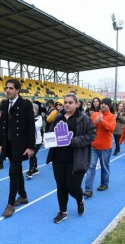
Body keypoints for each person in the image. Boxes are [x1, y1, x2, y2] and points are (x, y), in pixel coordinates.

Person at [46, 93, 95, 223]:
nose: (67, 105)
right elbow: (51, 133)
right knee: (61, 186)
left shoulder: (84, 119)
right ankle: (63, 212)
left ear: (77, 104)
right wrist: (49, 140)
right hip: (58, 158)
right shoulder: (58, 118)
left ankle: (80, 200)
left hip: (76, 159)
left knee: (72, 186)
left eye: (70, 102)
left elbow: (91, 136)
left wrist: (71, 141)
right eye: (65, 102)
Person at [0, 79, 35, 218]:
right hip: (9, 145)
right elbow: (3, 126)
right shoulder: (5, 103)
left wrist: (31, 147)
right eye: (6, 88)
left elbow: (31, 127)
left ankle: (10, 204)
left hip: (20, 145)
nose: (8, 90)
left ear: (18, 90)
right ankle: (23, 196)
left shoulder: (25, 104)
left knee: (13, 172)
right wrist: (1, 143)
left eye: (11, 88)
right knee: (17, 171)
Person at [83, 98, 116, 197]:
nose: (103, 105)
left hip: (105, 146)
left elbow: (111, 128)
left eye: (105, 104)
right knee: (91, 167)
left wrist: (102, 121)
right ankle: (88, 189)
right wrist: (96, 122)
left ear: (109, 106)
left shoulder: (112, 116)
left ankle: (104, 184)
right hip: (93, 146)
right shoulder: (94, 114)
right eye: (102, 103)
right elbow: (89, 127)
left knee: (104, 166)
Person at [26, 103, 43, 179]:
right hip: (30, 140)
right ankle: (35, 169)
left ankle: (30, 171)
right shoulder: (28, 117)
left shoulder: (39, 118)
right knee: (33, 155)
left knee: (32, 155)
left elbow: (36, 126)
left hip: (37, 141)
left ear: (36, 110)